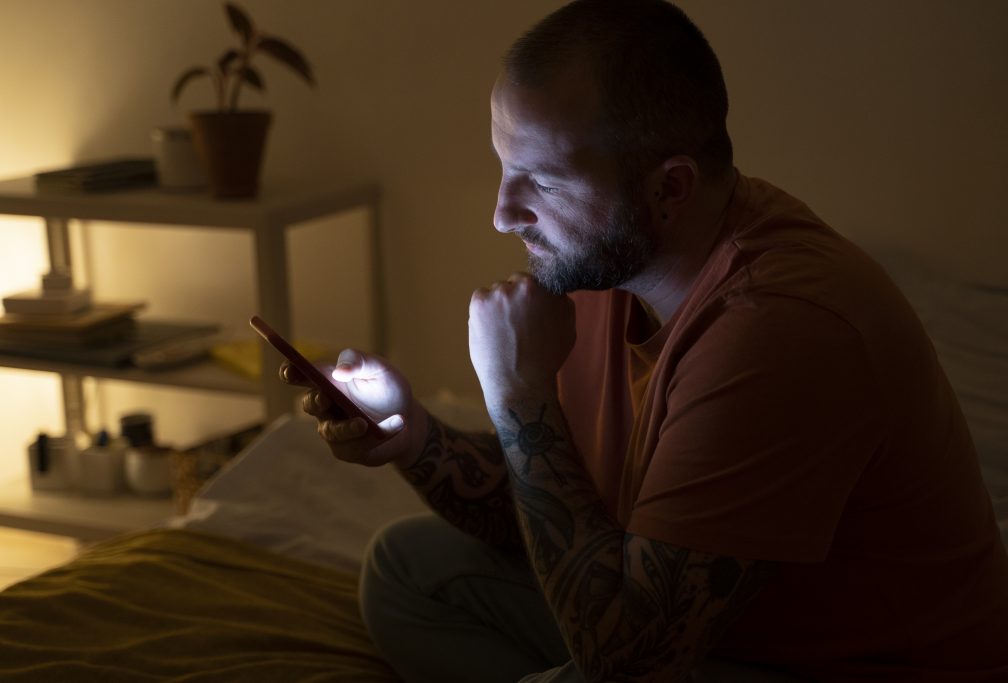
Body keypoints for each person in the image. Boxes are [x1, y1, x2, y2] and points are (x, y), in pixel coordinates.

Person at [282, 1, 1008, 681]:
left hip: (840, 666)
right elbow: (552, 504)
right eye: (506, 166)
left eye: (543, 181)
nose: (505, 214)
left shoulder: (781, 326)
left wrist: (516, 393)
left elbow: (628, 666)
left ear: (669, 189)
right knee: (406, 571)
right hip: (699, 634)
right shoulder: (608, 263)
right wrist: (412, 435)